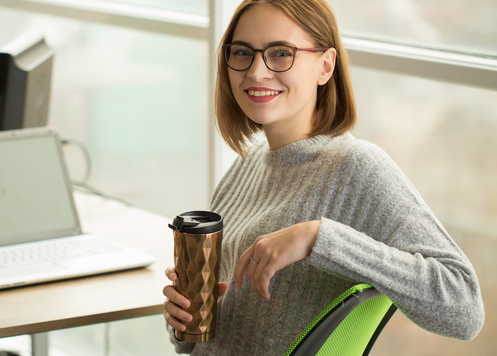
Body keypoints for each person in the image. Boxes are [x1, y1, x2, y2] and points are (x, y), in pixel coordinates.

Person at [162, 0, 485, 354]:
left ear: (325, 66)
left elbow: (464, 308)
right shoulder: (248, 164)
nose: (256, 72)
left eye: (281, 53)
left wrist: (319, 237)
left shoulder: (358, 168)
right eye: (242, 53)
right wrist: (184, 326)